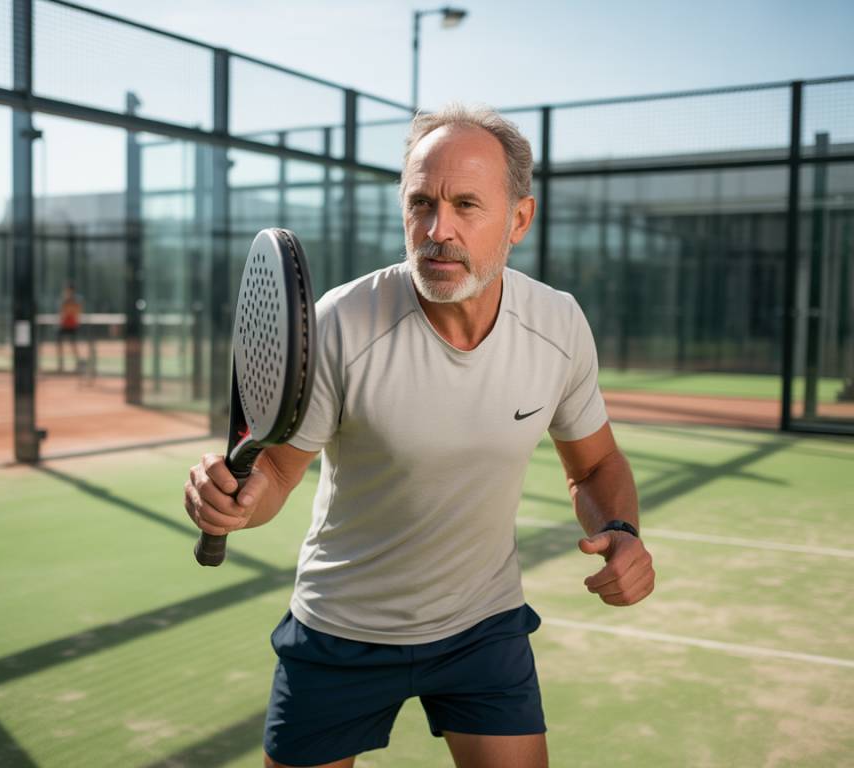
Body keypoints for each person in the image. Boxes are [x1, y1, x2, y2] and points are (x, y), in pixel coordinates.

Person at [184, 103, 655, 768]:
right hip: (340, 629)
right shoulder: (341, 324)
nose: (439, 230)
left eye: (466, 205)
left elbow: (596, 465)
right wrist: (234, 503)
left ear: (519, 219)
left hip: (483, 628)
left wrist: (623, 531)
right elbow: (279, 473)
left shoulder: (559, 325)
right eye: (421, 203)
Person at [56, 282, 83, 373]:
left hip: (72, 326)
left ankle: (78, 364)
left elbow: (77, 313)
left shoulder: (76, 301)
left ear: (72, 291)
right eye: (67, 290)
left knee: (73, 345)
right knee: (59, 344)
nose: (67, 292)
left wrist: (70, 311)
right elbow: (62, 313)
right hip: (64, 325)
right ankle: (60, 365)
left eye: (69, 290)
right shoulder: (64, 301)